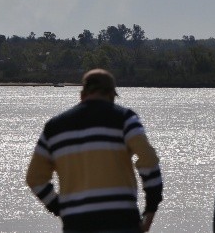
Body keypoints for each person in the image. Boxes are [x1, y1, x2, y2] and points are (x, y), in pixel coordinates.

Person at [26, 68, 163, 232]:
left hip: (76, 224)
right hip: (122, 221)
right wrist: (150, 210)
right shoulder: (124, 119)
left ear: (82, 95)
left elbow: (35, 179)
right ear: (111, 94)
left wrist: (60, 208)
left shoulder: (53, 128)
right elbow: (149, 161)